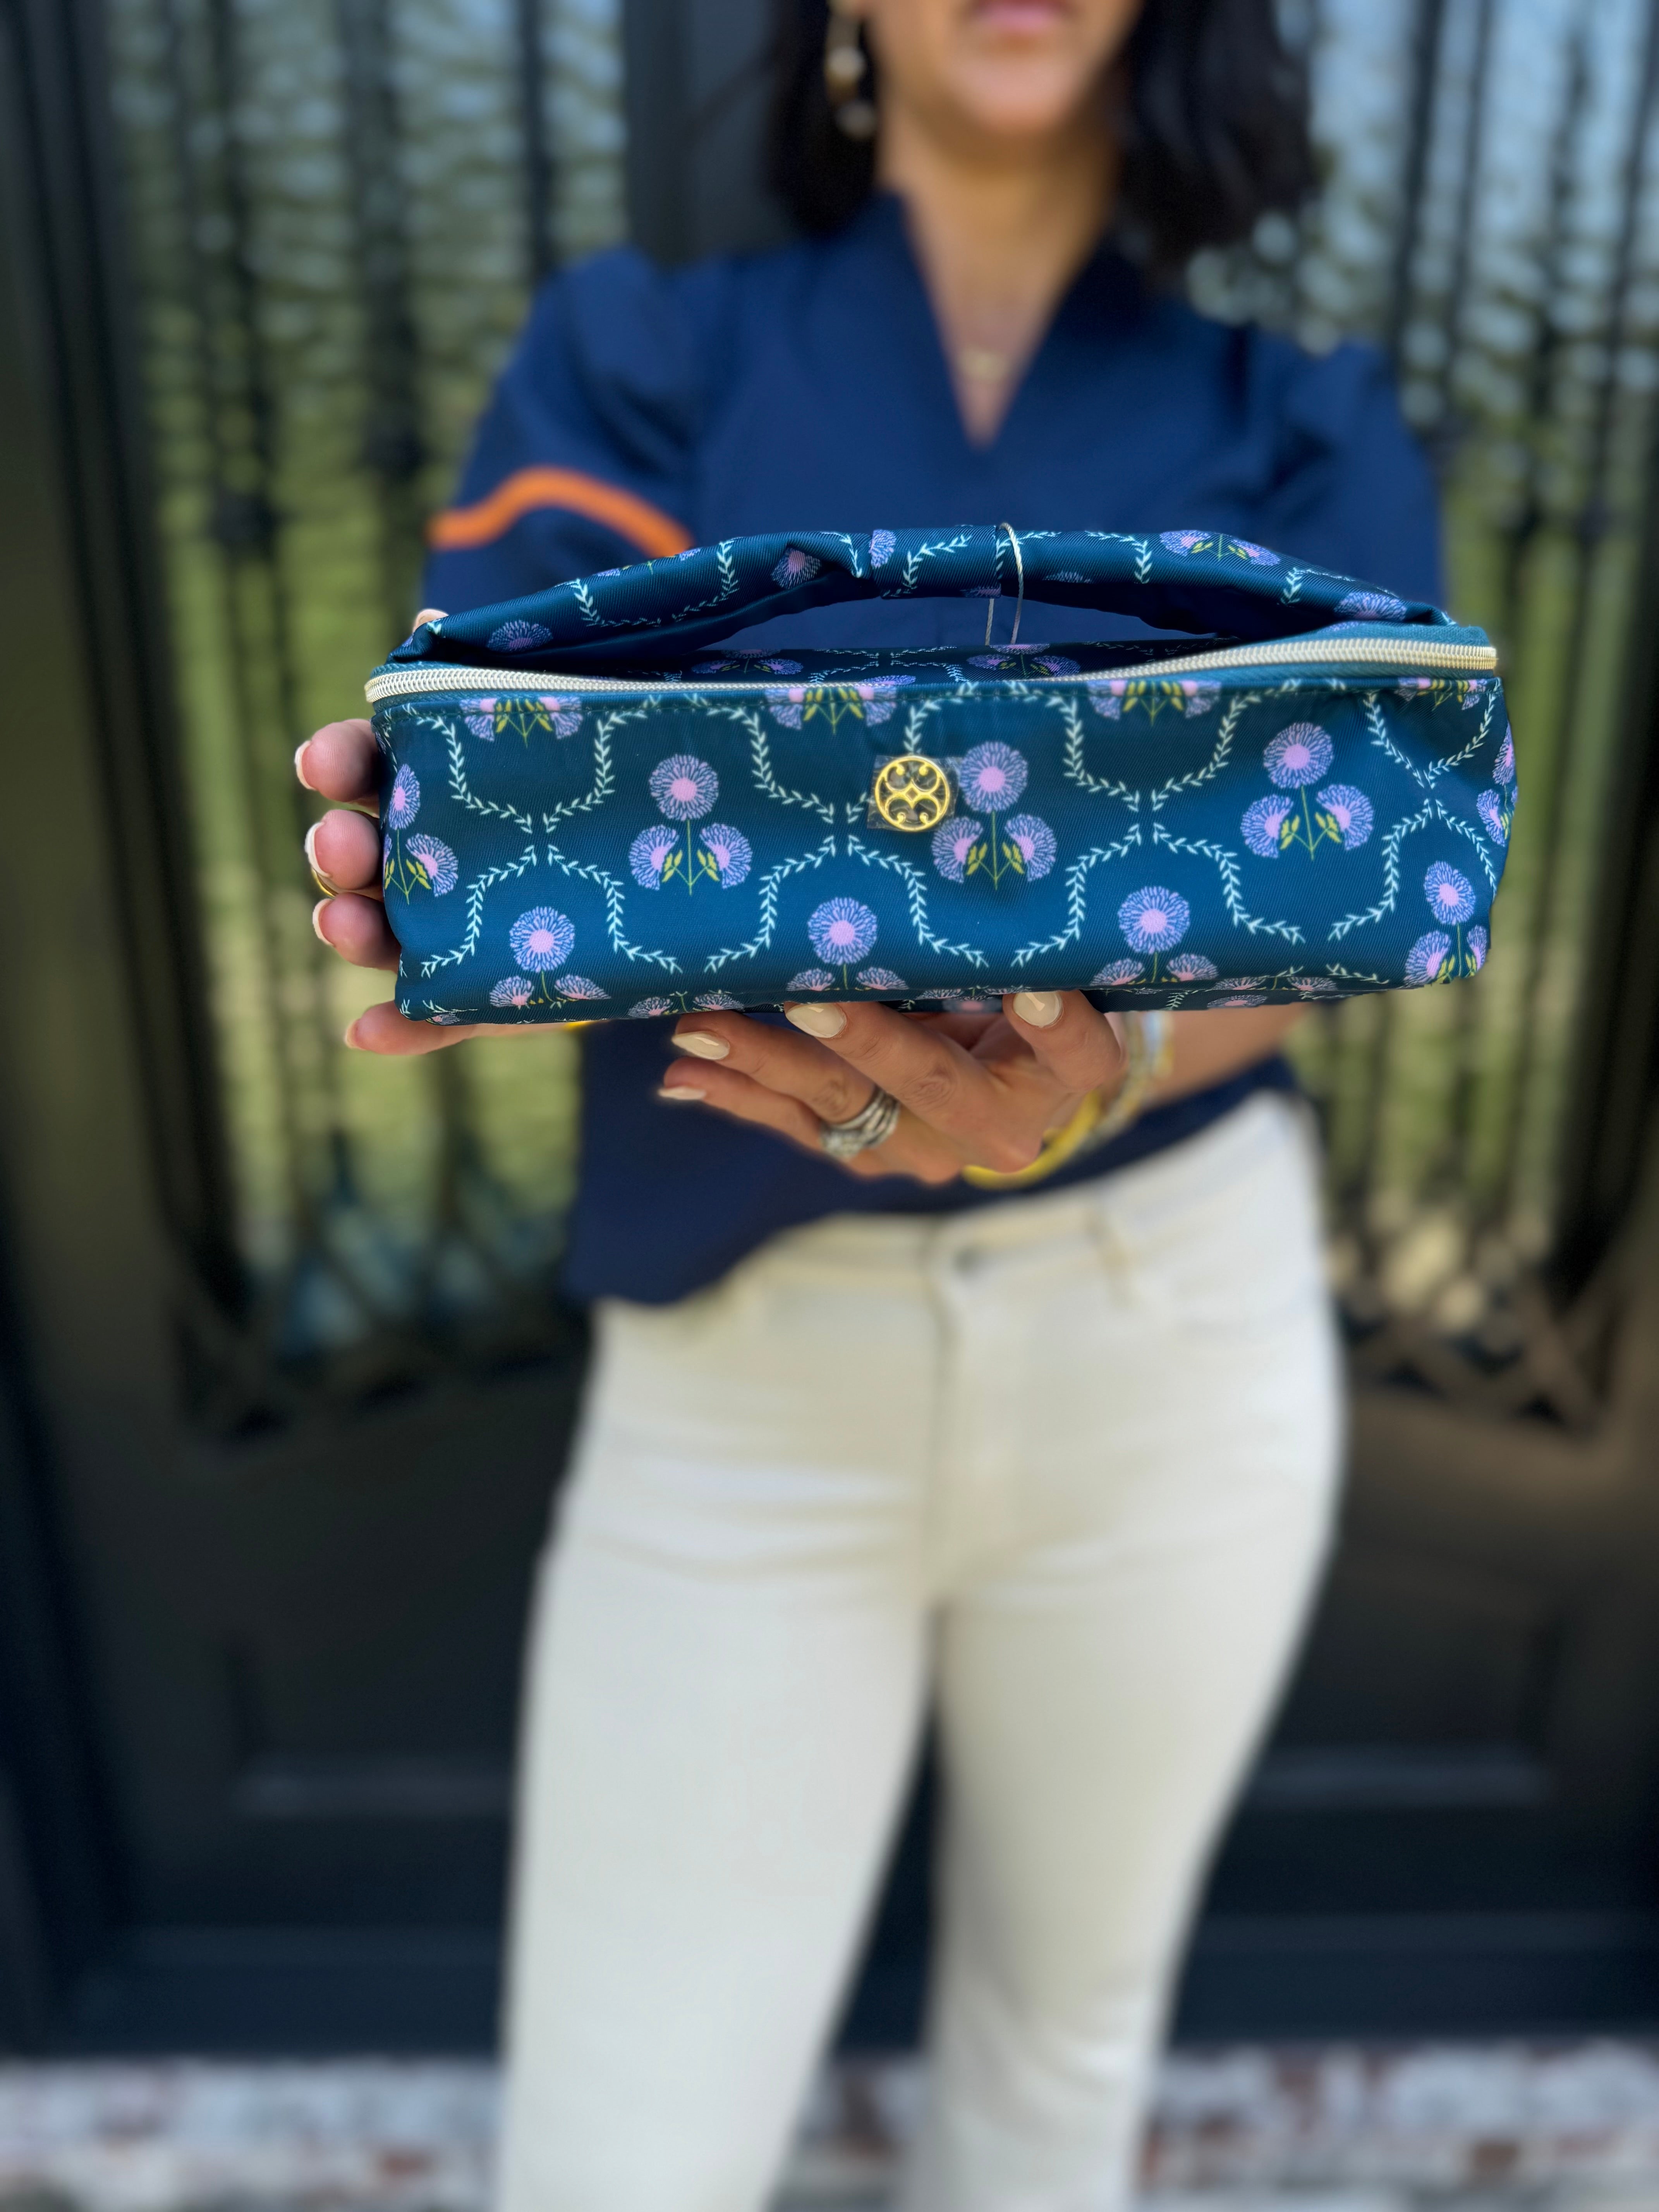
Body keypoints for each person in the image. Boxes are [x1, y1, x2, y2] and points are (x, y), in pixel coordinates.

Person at [297, 1, 1440, 2204]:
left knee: (1058, 2079)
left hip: (1168, 1341)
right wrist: (466, 879)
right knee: (620, 2153)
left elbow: (1350, 909)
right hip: (752, 1357)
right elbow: (511, 765)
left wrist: (1099, 1066)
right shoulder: (645, 358)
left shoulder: (1298, 419)